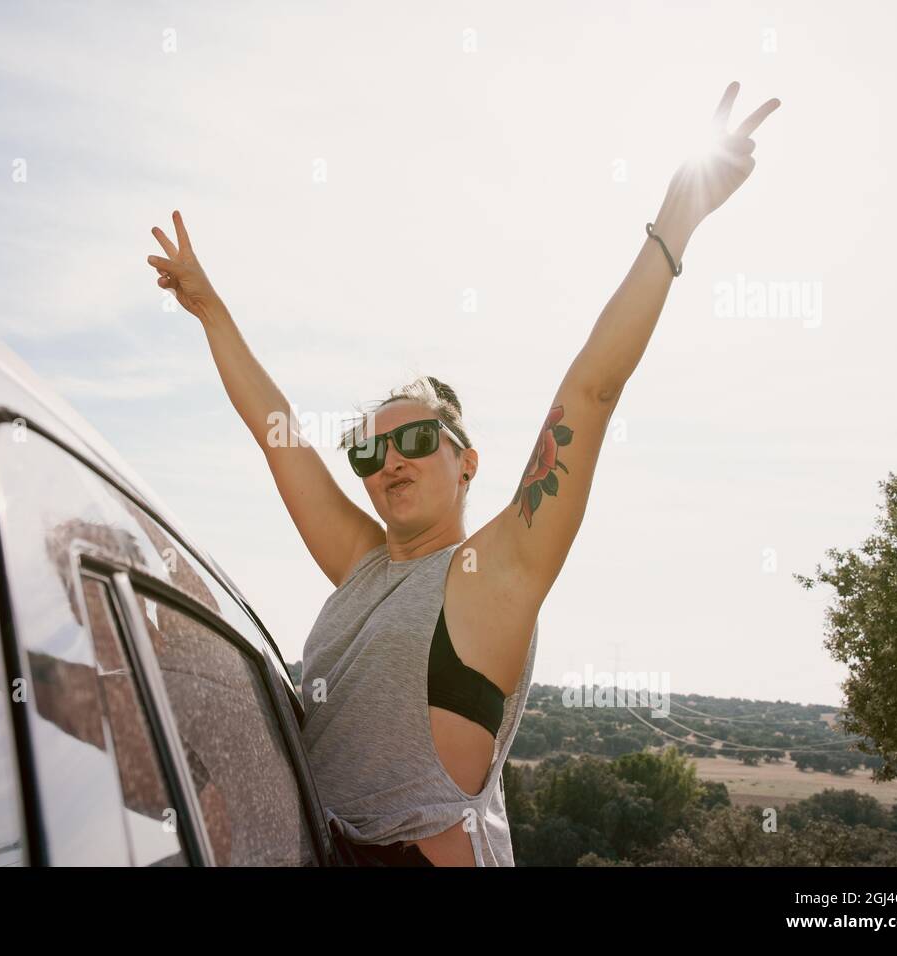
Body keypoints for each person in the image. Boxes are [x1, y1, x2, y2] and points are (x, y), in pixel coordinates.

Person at [145, 81, 780, 865]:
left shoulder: (491, 576)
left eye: (414, 438)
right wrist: (210, 309)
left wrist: (678, 219)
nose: (390, 462)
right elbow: (277, 436)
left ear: (466, 459)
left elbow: (591, 392)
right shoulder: (362, 565)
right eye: (369, 452)